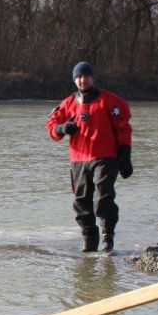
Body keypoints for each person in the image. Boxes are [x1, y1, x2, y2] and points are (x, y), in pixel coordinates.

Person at [46, 62, 133, 252]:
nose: (82, 80)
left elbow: (123, 128)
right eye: (78, 77)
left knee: (103, 195)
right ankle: (89, 239)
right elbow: (51, 126)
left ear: (92, 78)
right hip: (79, 159)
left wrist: (125, 156)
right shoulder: (67, 103)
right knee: (81, 201)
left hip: (105, 157)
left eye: (86, 76)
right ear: (74, 79)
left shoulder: (110, 101)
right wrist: (62, 128)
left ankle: (107, 237)